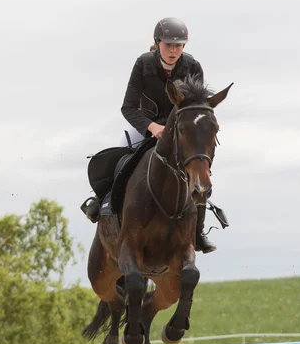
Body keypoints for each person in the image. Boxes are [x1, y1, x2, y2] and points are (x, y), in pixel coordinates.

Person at [83, 17, 219, 253]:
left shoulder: (192, 66)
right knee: (118, 156)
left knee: (198, 168)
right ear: (157, 43)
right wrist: (152, 127)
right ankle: (100, 201)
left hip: (178, 131)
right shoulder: (143, 64)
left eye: (179, 46)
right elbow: (128, 107)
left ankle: (197, 232)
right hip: (144, 126)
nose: (174, 50)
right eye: (169, 45)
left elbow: (196, 104)